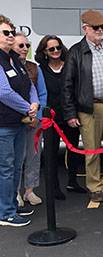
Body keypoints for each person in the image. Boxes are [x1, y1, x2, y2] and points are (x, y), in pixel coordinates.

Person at [62, 10, 103, 202]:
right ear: (85, 28)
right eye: (96, 27)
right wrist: (71, 113)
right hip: (90, 108)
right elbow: (67, 84)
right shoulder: (76, 52)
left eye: (102, 27)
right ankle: (95, 186)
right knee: (92, 150)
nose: (100, 30)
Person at [35, 35, 87, 198]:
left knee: (74, 150)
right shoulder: (40, 70)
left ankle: (72, 182)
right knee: (51, 154)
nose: (56, 51)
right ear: (45, 52)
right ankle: (54, 187)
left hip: (69, 115)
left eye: (58, 47)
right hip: (51, 119)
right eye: (51, 49)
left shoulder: (70, 67)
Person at [0, 15, 38, 227]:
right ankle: (5, 213)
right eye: (6, 33)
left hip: (20, 123)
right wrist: (27, 107)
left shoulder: (14, 59)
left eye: (11, 33)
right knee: (5, 169)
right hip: (3, 124)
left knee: (15, 168)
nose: (10, 36)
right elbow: (3, 92)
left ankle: (11, 205)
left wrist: (34, 104)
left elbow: (29, 85)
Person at [13, 33, 47, 205]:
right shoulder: (5, 67)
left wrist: (37, 116)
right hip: (14, 120)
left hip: (34, 119)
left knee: (34, 156)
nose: (25, 49)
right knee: (15, 158)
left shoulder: (35, 68)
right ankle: (15, 192)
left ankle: (29, 191)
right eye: (21, 46)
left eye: (27, 46)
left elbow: (42, 93)